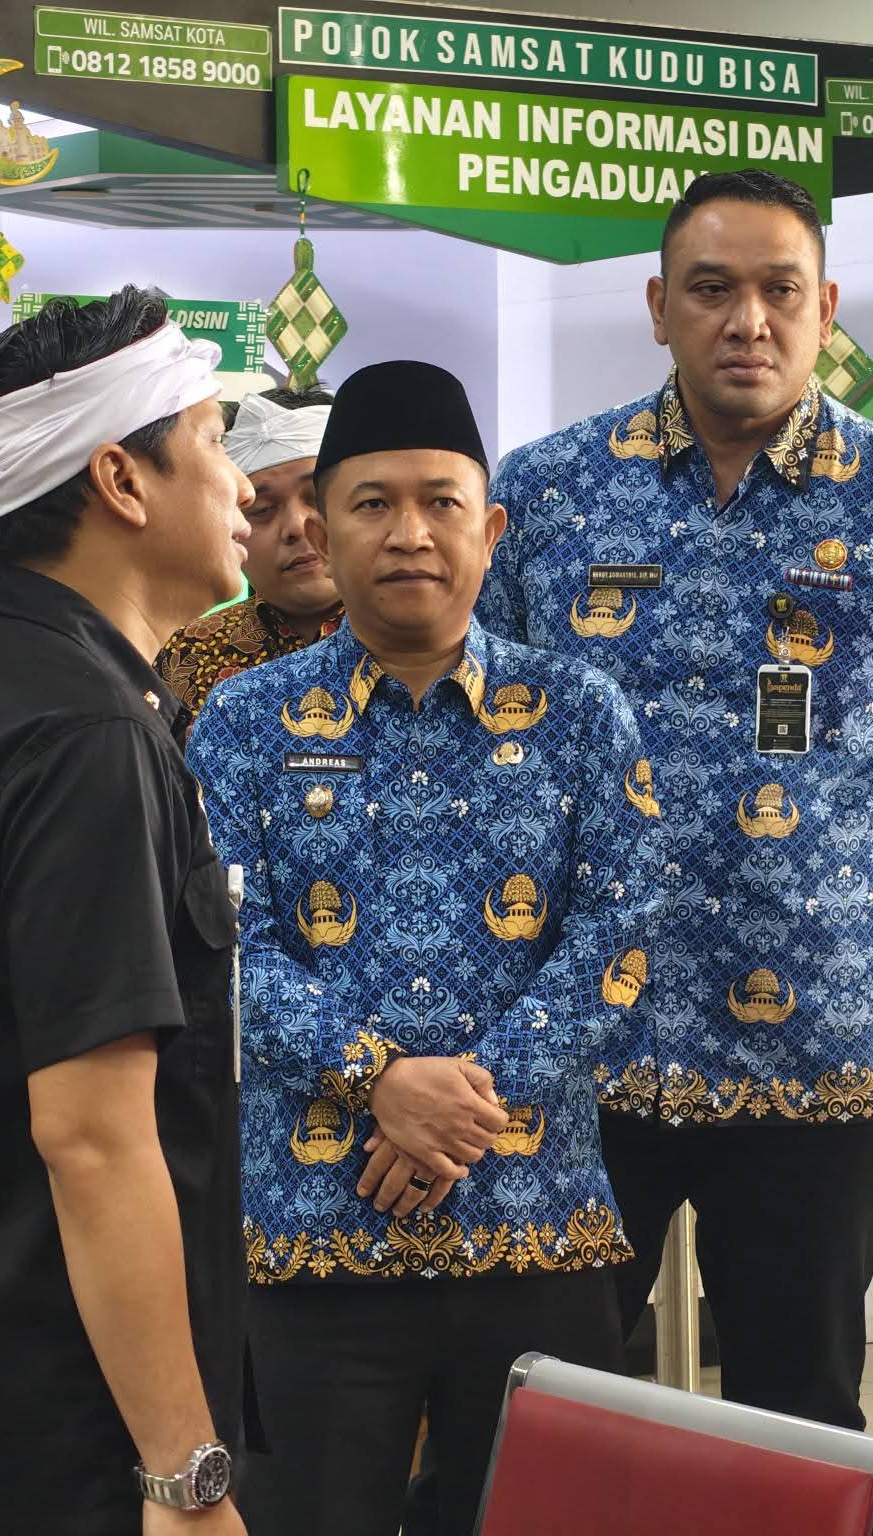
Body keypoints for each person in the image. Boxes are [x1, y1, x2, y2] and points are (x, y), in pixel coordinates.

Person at [482, 168, 873, 1430]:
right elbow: (492, 734)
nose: (747, 321)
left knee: (800, 1405)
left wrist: (823, 881)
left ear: (824, 308)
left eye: (780, 290)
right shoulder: (548, 496)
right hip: (581, 1034)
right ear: (657, 306)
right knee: (547, 1393)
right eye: (711, 290)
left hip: (817, 1042)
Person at [186, 359, 654, 1535]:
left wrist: (461, 1103)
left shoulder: (580, 712)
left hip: (535, 1223)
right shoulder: (242, 724)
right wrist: (378, 1080)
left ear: (488, 531)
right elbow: (216, 946)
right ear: (321, 528)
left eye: (440, 503)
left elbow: (620, 932)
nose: (409, 534)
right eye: (372, 504)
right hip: (314, 1231)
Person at [0, 288, 253, 1535]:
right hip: (78, 1429)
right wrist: (183, 1477)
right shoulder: (84, 734)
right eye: (213, 443)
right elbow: (92, 1138)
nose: (243, 487)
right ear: (121, 480)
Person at [157, 385, 344, 712]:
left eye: (316, 499)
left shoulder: (420, 645)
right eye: (263, 509)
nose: (297, 526)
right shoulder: (186, 657)